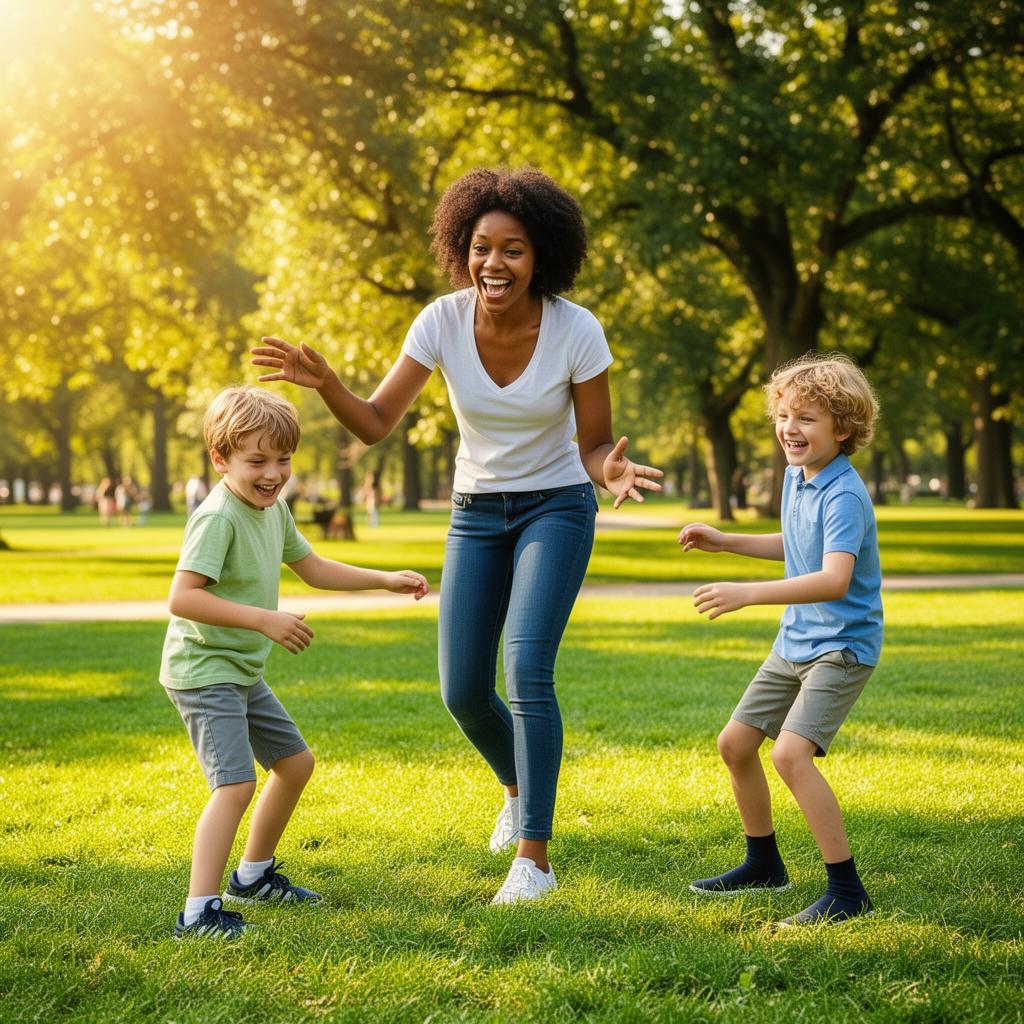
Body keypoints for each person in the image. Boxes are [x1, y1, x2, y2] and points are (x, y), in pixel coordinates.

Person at [252, 167, 662, 904]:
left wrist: (612, 473)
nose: (494, 264)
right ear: (460, 248)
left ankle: (534, 858)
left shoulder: (576, 329)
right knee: (463, 689)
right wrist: (327, 387)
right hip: (476, 511)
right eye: (481, 248)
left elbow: (595, 445)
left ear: (542, 258)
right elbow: (376, 423)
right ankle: (516, 790)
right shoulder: (440, 322)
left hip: (557, 507)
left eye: (513, 250)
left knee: (526, 667)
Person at [160, 385, 428, 939]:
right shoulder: (219, 518)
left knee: (295, 764)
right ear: (220, 459)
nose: (273, 473)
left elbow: (312, 567)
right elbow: (183, 598)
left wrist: (383, 580)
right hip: (205, 670)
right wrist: (263, 619)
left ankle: (252, 877)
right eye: (256, 460)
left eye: (282, 459)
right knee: (234, 786)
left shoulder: (273, 508)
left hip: (240, 670)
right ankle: (197, 913)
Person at [678, 353, 881, 926]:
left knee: (792, 756)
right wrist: (727, 541)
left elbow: (833, 578)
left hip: (840, 649)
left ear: (843, 429)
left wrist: (748, 593)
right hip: (795, 643)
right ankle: (764, 864)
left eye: (808, 419)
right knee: (735, 745)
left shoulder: (843, 494)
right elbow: (796, 544)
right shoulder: (799, 476)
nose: (790, 428)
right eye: (785, 415)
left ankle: (847, 890)